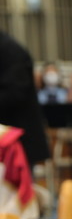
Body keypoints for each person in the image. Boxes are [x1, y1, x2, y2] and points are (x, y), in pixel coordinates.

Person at [0, 31, 51, 167]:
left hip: (16, 140)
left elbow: (15, 93)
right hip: (6, 138)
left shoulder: (9, 50)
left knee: (15, 188)